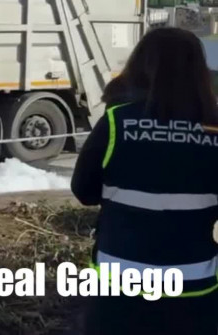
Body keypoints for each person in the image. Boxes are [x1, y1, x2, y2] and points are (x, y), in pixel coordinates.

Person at [71, 26, 218, 334]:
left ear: (139, 66)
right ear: (199, 72)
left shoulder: (115, 122)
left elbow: (84, 191)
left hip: (119, 284)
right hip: (193, 285)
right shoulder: (214, 130)